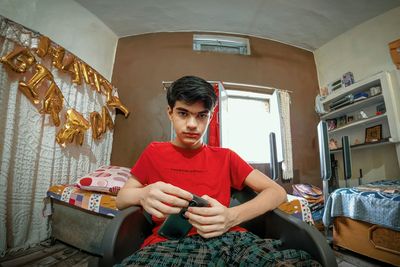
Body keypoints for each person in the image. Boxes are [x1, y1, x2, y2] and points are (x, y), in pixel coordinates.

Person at [116, 75, 318, 266]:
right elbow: (121, 198)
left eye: (202, 115)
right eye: (183, 113)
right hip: (168, 244)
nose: (192, 124)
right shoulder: (154, 152)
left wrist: (232, 216)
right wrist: (143, 194)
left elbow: (277, 192)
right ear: (170, 113)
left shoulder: (226, 157)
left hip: (231, 239)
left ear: (211, 117)